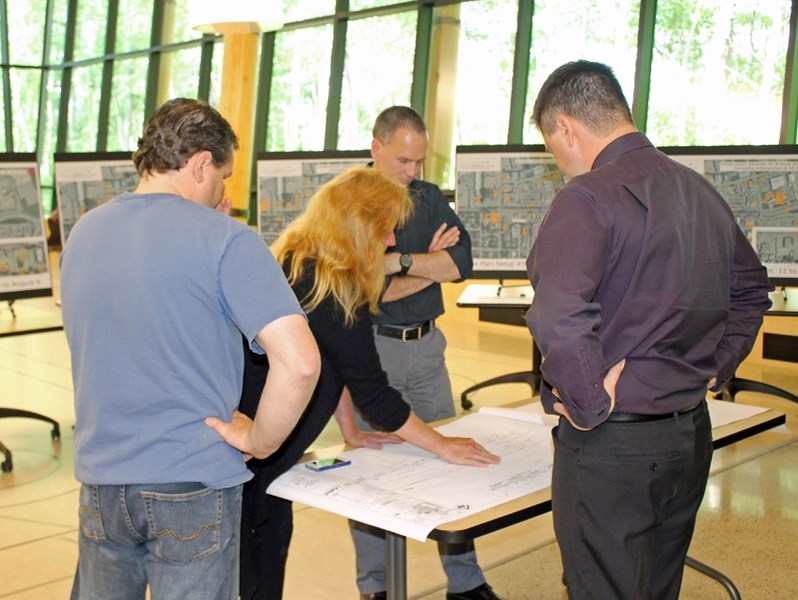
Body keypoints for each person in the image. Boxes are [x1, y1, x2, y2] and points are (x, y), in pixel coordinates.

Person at [525, 60, 773, 600]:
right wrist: (715, 367)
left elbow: (557, 316)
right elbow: (752, 290)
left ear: (565, 126)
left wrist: (588, 403)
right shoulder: (697, 191)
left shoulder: (587, 197)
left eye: (551, 145)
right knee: (658, 585)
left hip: (615, 445)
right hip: (689, 435)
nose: (559, 162)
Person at [60, 98, 321, 600]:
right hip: (192, 483)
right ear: (201, 163)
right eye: (223, 176)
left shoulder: (84, 232)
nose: (223, 191)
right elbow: (302, 362)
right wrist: (261, 441)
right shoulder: (228, 240)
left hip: (102, 481)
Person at [236, 166, 500, 600]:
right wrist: (441, 444)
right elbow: (374, 391)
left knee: (269, 547)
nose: (393, 241)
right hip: (256, 458)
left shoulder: (300, 260)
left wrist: (349, 429)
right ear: (359, 227)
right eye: (386, 231)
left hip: (267, 450)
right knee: (254, 567)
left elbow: (333, 361)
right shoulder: (332, 286)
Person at [344, 106, 501, 600]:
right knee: (373, 473)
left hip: (428, 349)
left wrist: (401, 261)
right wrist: (430, 267)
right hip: (375, 355)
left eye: (419, 162)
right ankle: (376, 589)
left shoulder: (428, 199)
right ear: (376, 148)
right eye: (403, 161)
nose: (412, 172)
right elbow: (360, 293)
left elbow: (463, 263)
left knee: (453, 457)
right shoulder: (348, 203)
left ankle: (466, 583)